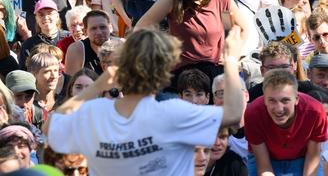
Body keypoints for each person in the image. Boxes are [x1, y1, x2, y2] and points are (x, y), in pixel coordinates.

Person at [44, 27, 246, 174]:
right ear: (165, 70)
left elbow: (50, 126)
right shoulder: (174, 113)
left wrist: (97, 86)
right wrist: (230, 60)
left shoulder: (94, 112)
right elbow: (234, 112)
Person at [136, 0, 247, 84]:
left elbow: (240, 29)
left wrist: (232, 56)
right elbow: (140, 27)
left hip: (214, 71)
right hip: (181, 73)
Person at [244, 69, 327, 175]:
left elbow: (312, 157)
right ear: (264, 99)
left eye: (285, 100)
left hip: (303, 157)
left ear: (296, 99)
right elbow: (264, 166)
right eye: (272, 100)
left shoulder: (316, 112)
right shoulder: (253, 113)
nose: (279, 109)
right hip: (267, 157)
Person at [18, 0, 68, 70]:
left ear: (57, 16)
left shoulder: (68, 38)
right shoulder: (28, 45)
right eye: (41, 14)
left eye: (49, 13)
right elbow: (25, 72)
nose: (45, 17)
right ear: (36, 19)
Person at [65, 10, 114, 76]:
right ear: (85, 32)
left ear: (110, 28)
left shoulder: (121, 46)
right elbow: (70, 83)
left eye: (103, 27)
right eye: (93, 28)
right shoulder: (77, 49)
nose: (99, 32)